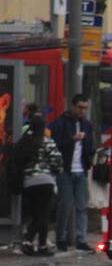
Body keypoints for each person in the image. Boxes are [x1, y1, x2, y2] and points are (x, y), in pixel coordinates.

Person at [11, 115, 63, 256]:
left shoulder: (23, 143)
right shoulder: (47, 142)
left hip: (28, 183)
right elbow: (57, 161)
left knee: (35, 214)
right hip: (45, 181)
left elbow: (17, 162)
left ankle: (35, 244)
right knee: (43, 215)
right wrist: (56, 171)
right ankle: (34, 243)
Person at [50, 93, 94, 253]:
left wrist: (89, 158)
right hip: (65, 170)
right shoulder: (60, 123)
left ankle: (81, 240)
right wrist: (72, 140)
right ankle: (61, 239)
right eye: (80, 107)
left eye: (85, 108)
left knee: (82, 206)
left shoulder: (86, 124)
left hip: (81, 170)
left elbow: (90, 145)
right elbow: (55, 145)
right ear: (73, 106)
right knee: (65, 205)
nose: (83, 111)